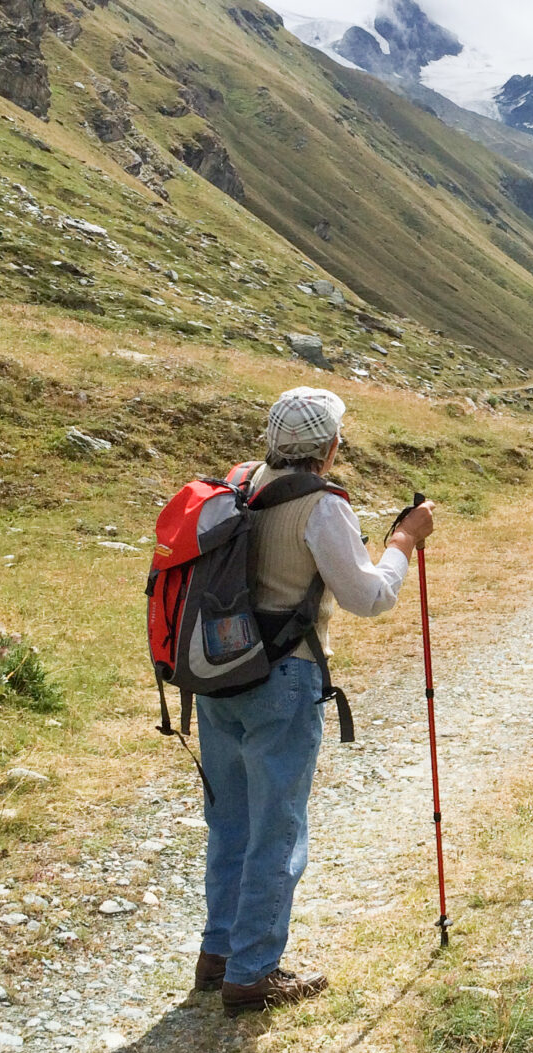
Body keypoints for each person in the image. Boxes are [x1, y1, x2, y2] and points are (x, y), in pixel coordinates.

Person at [194, 387, 435, 1016]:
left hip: (218, 672)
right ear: (329, 447)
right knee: (278, 827)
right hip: (286, 678)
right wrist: (404, 542)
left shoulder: (241, 485)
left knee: (231, 820)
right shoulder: (322, 506)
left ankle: (218, 953)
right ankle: (253, 972)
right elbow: (370, 597)